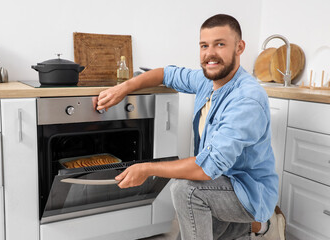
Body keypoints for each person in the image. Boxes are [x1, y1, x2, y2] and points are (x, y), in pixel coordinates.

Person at [96, 14, 286, 240]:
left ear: (239, 47)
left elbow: (205, 169)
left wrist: (146, 169)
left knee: (187, 190)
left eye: (220, 44)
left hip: (248, 192)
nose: (210, 53)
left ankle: (257, 220)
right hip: (218, 184)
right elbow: (165, 73)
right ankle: (260, 227)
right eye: (204, 45)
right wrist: (123, 88)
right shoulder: (206, 80)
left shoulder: (247, 99)